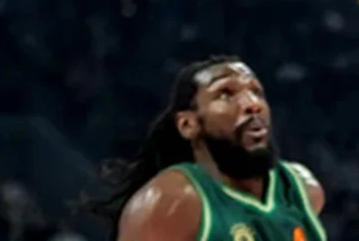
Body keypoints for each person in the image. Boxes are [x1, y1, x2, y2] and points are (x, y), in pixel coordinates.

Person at [84, 56, 326, 241]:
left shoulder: (302, 189)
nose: (252, 104)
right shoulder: (171, 201)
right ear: (188, 125)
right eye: (225, 94)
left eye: (256, 91)